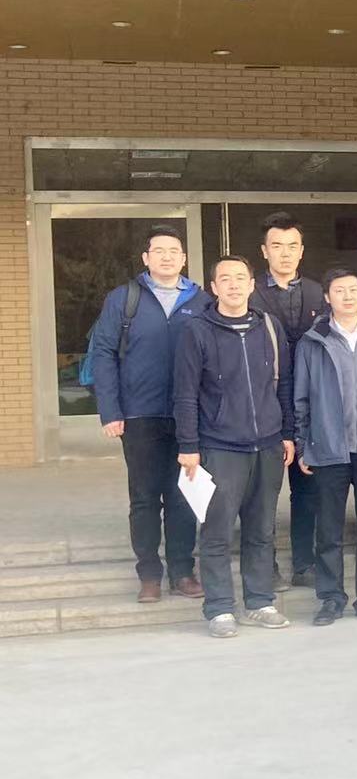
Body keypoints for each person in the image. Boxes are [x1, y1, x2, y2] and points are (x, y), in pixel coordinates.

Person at [173, 255, 294, 639]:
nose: (234, 285)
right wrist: (189, 444)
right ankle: (220, 608)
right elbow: (186, 393)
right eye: (225, 279)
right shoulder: (197, 330)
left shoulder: (269, 327)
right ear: (213, 288)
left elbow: (284, 384)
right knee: (217, 531)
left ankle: (259, 601)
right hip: (220, 446)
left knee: (261, 530)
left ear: (252, 284)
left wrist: (287, 433)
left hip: (268, 445)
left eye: (241, 278)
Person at [91, 225, 210, 603]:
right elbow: (103, 355)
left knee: (182, 496)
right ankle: (148, 574)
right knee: (144, 497)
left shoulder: (201, 301)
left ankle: (182, 571)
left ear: (184, 258)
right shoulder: (123, 298)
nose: (167, 257)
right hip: (139, 414)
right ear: (146, 258)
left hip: (188, 416)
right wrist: (110, 410)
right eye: (159, 251)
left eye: (174, 251)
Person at [294, 268, 357, 625]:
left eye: (353, 289)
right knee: (329, 531)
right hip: (329, 448)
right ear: (327, 297)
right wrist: (302, 443)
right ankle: (331, 598)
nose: (348, 296)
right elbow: (301, 398)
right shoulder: (312, 341)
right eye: (339, 290)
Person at [250, 211, 324, 591]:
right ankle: (267, 566)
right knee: (264, 493)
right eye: (277, 246)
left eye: (292, 246)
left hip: (308, 405)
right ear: (264, 251)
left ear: (302, 251)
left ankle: (305, 563)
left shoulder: (317, 292)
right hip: (263, 403)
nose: (285, 253)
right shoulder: (250, 294)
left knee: (307, 488)